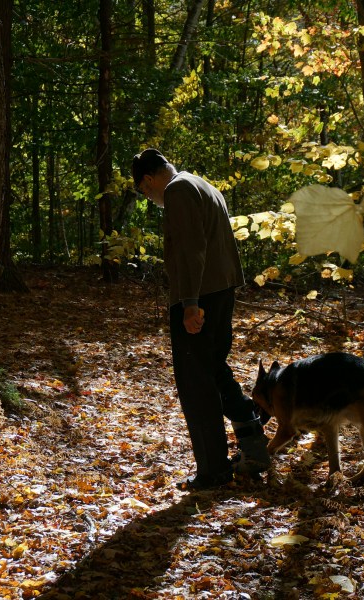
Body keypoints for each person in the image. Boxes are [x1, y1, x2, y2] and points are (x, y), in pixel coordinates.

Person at [132, 148, 271, 491]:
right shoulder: (202, 184)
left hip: (199, 297)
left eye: (144, 192)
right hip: (221, 290)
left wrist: (190, 304)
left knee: (196, 385)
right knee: (212, 368)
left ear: (148, 180)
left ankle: (213, 470)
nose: (150, 199)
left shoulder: (178, 190)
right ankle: (250, 431)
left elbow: (191, 249)